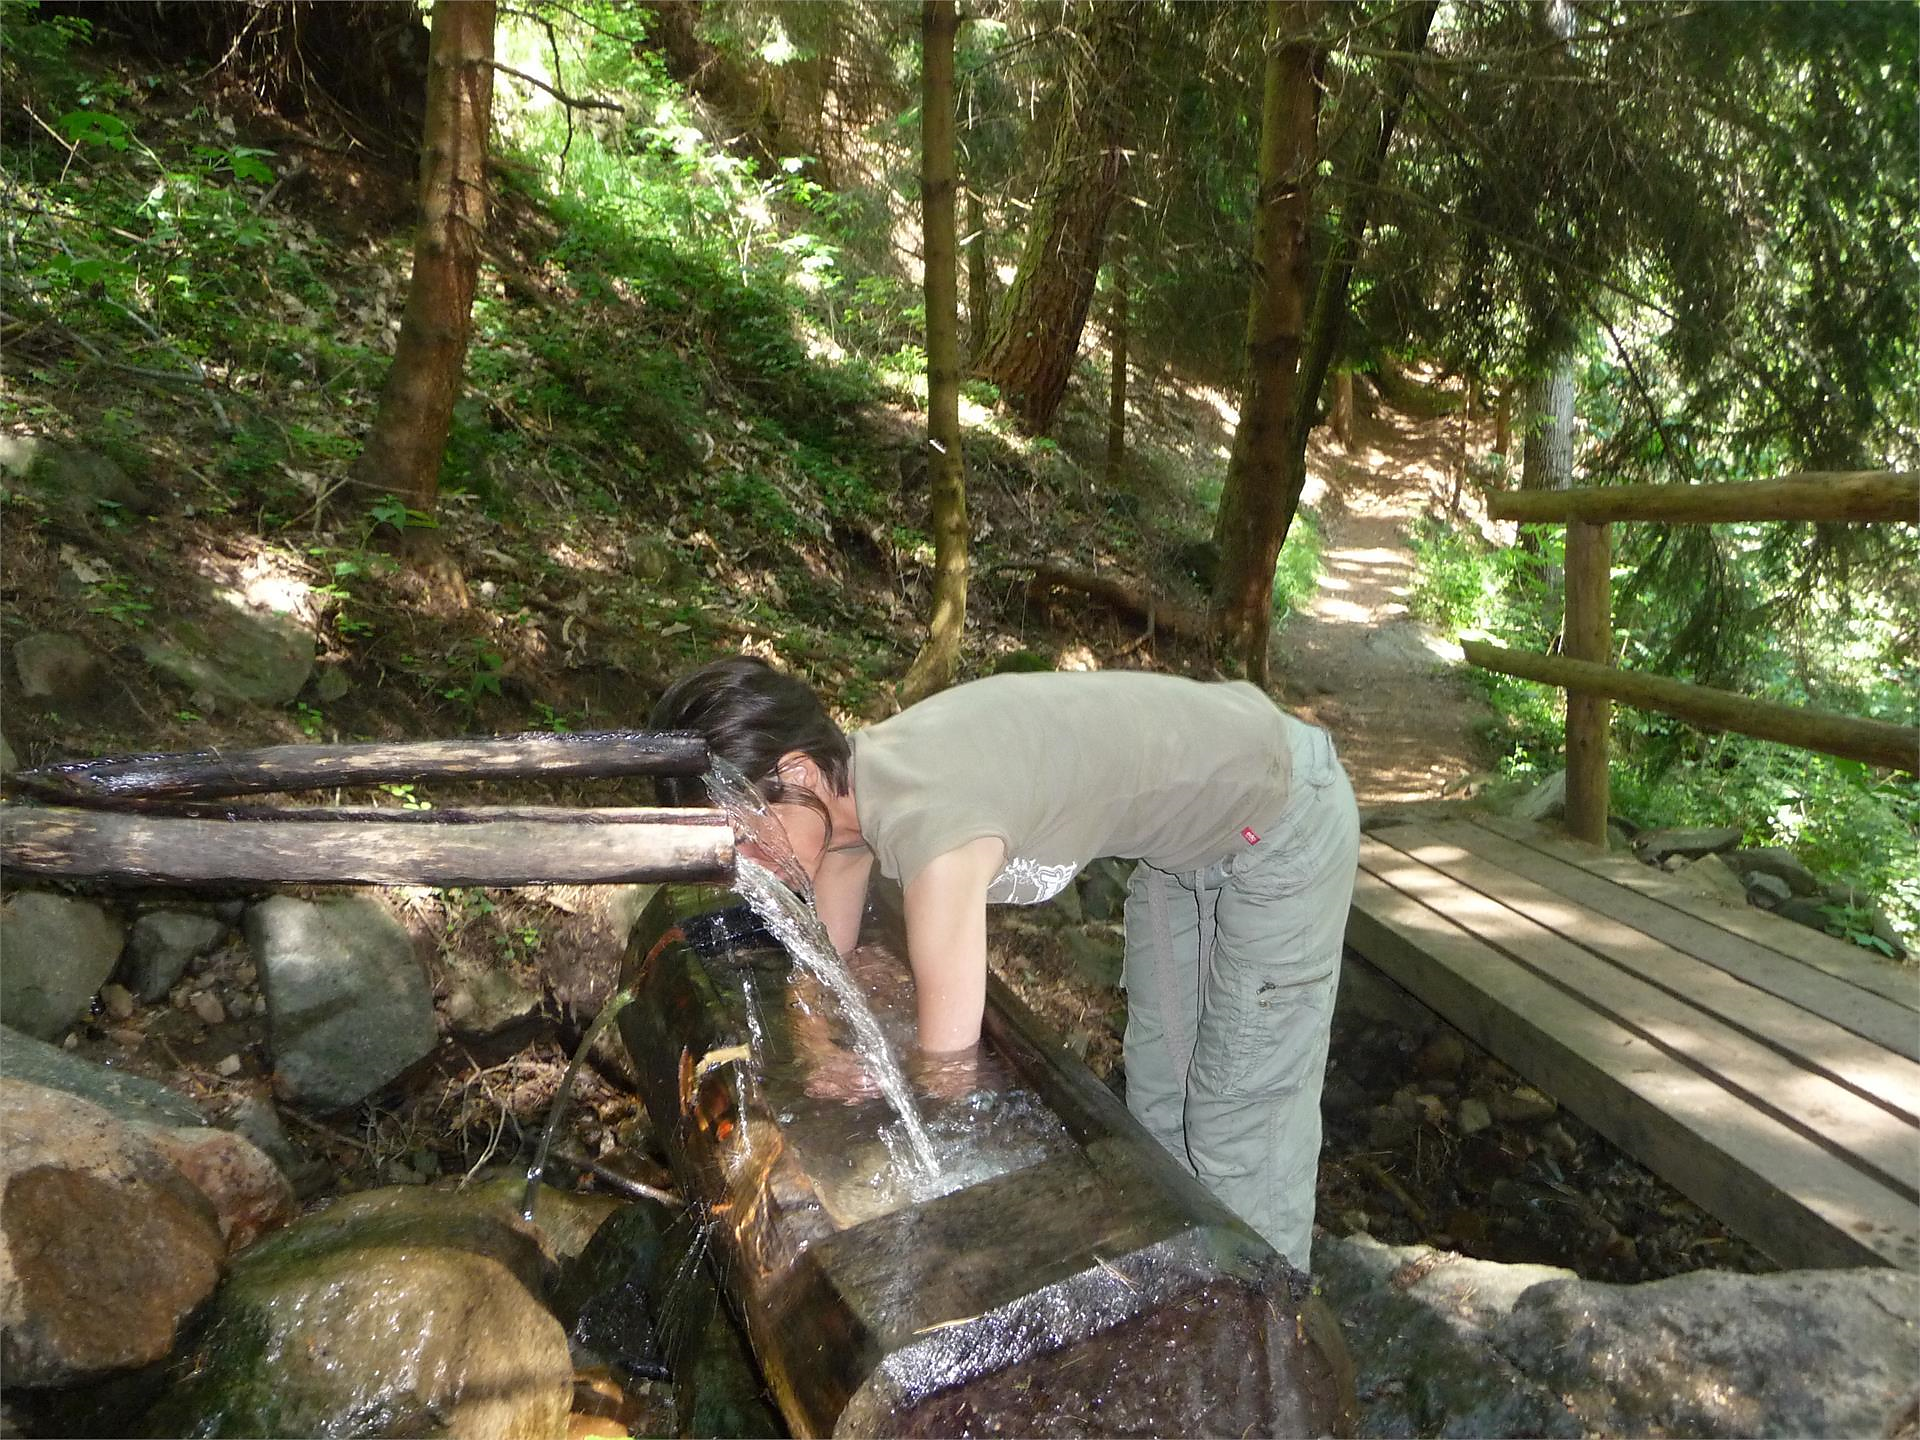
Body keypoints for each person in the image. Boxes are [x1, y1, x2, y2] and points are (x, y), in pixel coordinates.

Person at [650, 656, 1359, 1270]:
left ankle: (1273, 1332)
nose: (744, 869)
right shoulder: (846, 809)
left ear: (799, 772)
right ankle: (1196, 1296)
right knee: (1160, 1104)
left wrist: (890, 1190)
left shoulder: (937, 835)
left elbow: (950, 1067)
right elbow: (819, 973)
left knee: (1239, 1124)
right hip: (1186, 853)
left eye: (745, 838)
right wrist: (817, 1055)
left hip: (1282, 819)